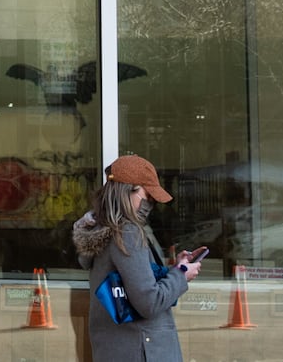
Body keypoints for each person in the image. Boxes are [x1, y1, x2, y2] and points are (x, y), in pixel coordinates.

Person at [71, 155, 200, 362]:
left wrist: (173, 270)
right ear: (126, 191)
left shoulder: (101, 231)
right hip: (142, 350)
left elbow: (133, 283)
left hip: (115, 349)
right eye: (147, 195)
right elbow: (149, 302)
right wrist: (182, 275)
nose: (150, 204)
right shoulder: (127, 232)